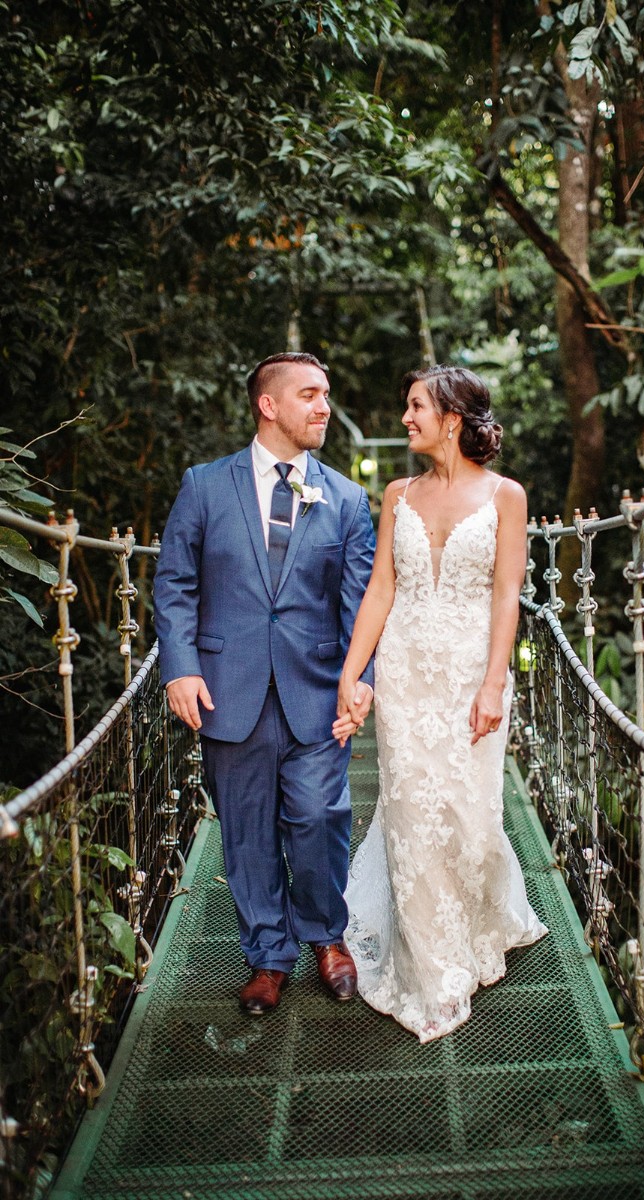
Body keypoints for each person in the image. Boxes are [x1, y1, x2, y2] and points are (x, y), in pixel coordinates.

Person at [153, 351, 376, 1014]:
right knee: (246, 831)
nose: (324, 407)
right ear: (268, 404)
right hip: (228, 688)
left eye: (327, 395)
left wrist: (359, 680)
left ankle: (325, 936)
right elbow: (174, 582)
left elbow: (361, 601)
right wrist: (181, 666)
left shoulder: (346, 498)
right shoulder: (203, 486)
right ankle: (267, 956)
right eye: (310, 394)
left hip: (316, 692)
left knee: (319, 817)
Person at [333, 365, 548, 1043]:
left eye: (415, 407)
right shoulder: (397, 493)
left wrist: (494, 683)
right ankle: (430, 971)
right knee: (411, 814)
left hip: (468, 672)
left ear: (452, 419)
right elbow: (379, 592)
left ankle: (478, 924)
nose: (405, 418)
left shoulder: (505, 496)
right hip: (402, 673)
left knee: (469, 815)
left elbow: (506, 594)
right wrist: (353, 672)